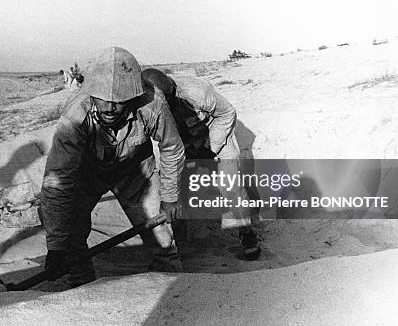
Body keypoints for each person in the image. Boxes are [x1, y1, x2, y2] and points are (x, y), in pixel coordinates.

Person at [40, 47, 186, 288]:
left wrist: (170, 197)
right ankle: (82, 289)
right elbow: (58, 178)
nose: (109, 108)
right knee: (71, 240)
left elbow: (171, 147)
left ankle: (175, 291)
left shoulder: (153, 104)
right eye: (102, 99)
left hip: (136, 173)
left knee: (162, 238)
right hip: (86, 175)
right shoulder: (75, 116)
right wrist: (55, 246)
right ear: (90, 93)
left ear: (132, 96)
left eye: (117, 101)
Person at [141, 68, 261, 260]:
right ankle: (180, 244)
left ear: (169, 91)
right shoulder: (147, 103)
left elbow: (228, 113)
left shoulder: (196, 92)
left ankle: (247, 233)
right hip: (183, 144)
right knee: (172, 192)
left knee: (230, 186)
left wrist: (211, 147)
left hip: (216, 136)